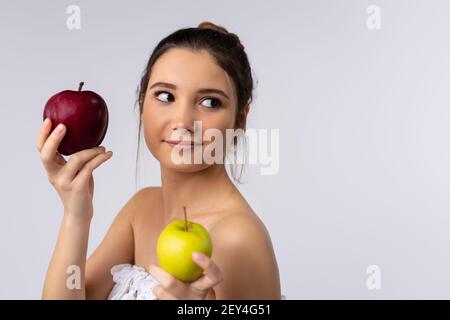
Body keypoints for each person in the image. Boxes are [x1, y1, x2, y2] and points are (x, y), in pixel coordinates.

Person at [37, 21, 281, 300]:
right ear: (142, 105)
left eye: (210, 102)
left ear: (240, 118)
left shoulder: (238, 238)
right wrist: (75, 214)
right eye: (165, 96)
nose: (183, 121)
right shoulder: (141, 209)